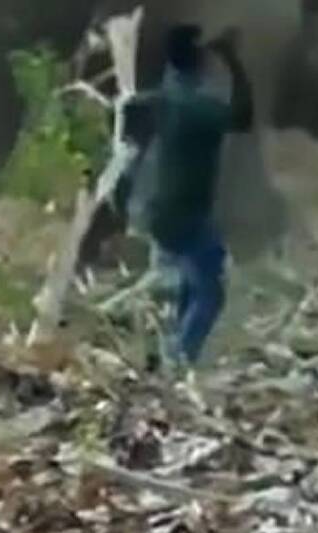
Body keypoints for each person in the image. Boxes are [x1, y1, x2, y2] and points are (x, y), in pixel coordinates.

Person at [118, 23, 254, 366]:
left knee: (192, 284)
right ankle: (178, 357)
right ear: (199, 65)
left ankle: (172, 350)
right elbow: (243, 117)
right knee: (211, 293)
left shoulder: (160, 101)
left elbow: (130, 112)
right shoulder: (195, 109)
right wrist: (234, 62)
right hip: (186, 214)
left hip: (161, 211)